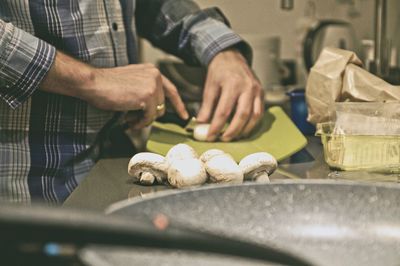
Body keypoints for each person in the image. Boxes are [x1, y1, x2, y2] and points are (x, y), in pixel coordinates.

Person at [0, 0, 264, 204]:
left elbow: (152, 6)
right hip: (28, 196)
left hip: (112, 172)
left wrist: (222, 50)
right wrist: (92, 80)